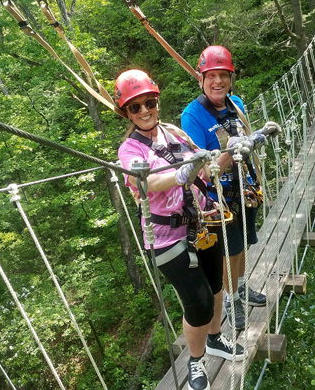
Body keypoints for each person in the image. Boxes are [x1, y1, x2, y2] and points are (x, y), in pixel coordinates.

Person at [115, 69, 245, 390]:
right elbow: (146, 180)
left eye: (150, 102)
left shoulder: (174, 132)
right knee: (197, 304)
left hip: (203, 222)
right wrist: (180, 173)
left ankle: (215, 339)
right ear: (126, 113)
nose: (145, 111)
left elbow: (206, 165)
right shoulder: (130, 151)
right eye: (136, 107)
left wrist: (235, 150)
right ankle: (196, 360)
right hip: (167, 238)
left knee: (216, 288)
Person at [181, 46, 281, 330]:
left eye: (223, 75)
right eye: (211, 75)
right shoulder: (192, 116)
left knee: (243, 247)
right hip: (217, 199)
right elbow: (200, 170)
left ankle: (240, 287)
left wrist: (257, 136)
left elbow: (246, 139)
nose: (218, 82)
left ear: (231, 78)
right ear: (201, 79)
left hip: (245, 189)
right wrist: (231, 151)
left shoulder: (236, 103)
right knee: (229, 251)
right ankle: (231, 298)